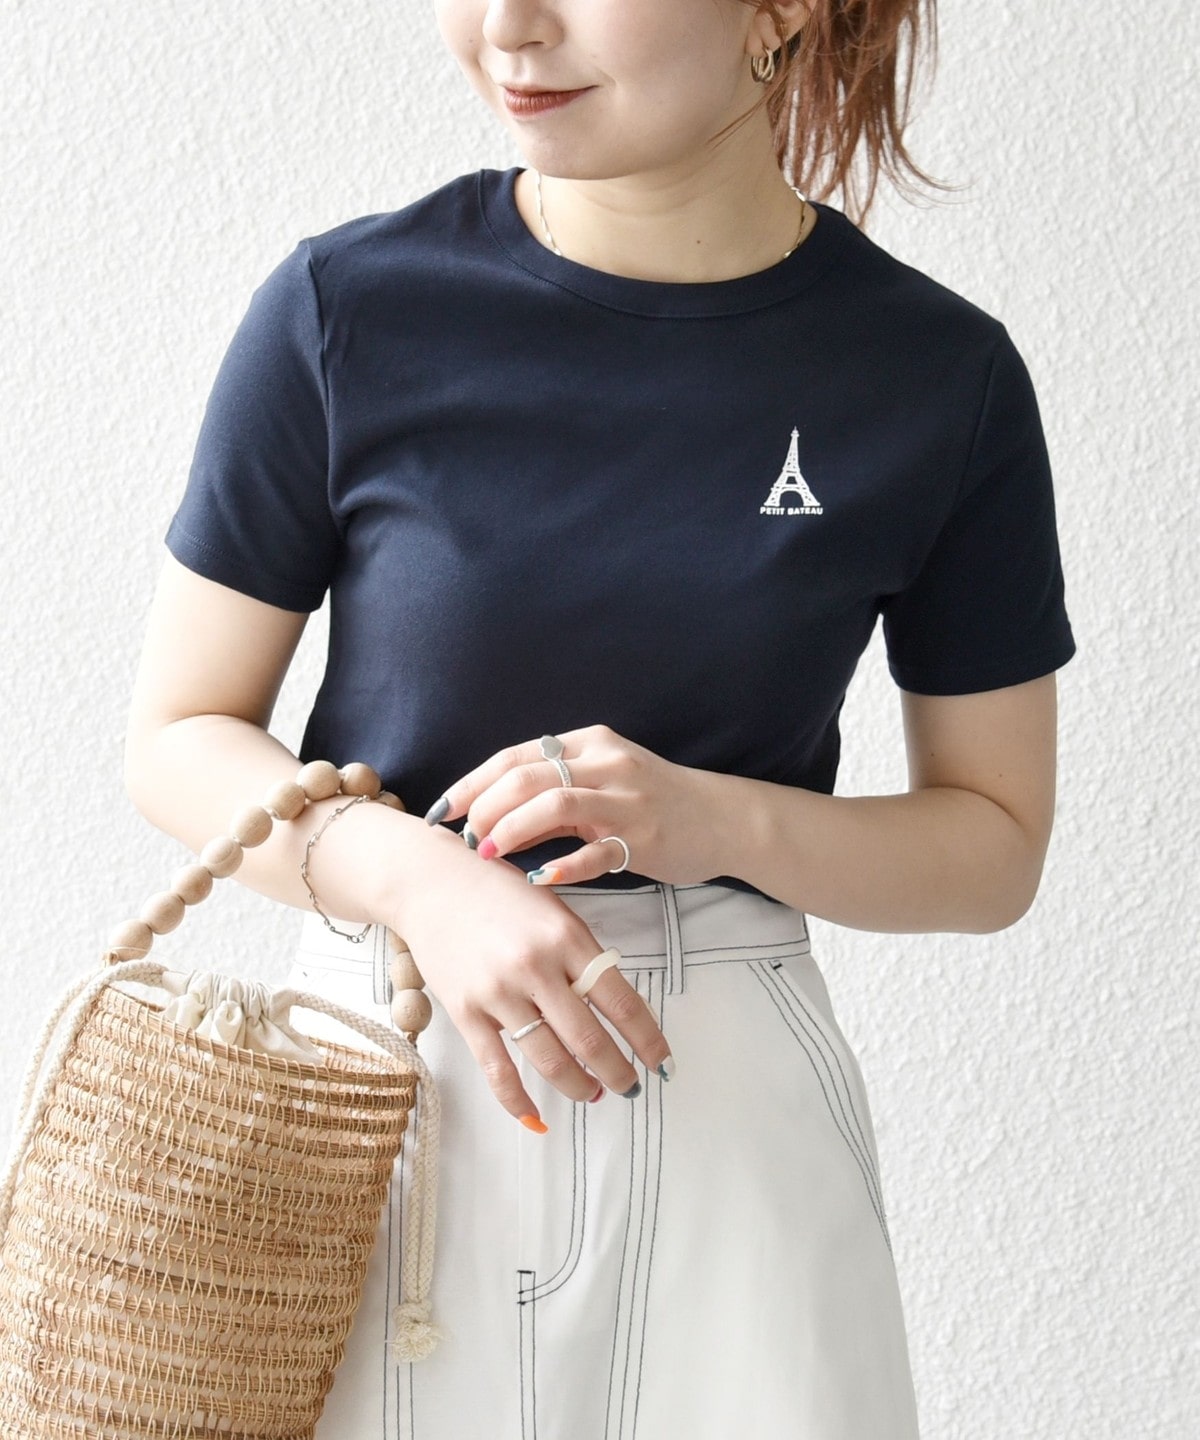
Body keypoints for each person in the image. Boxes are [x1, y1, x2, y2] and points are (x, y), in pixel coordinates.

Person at [124, 1, 1075, 1435]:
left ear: (781, 9)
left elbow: (993, 847)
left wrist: (715, 820)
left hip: (729, 1122)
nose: (508, 27)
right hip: (382, 1092)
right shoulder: (348, 308)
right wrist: (421, 882)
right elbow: (180, 735)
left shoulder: (940, 377)